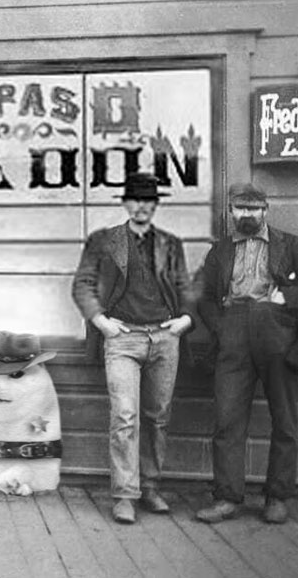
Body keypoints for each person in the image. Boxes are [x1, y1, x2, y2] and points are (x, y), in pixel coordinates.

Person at [194, 183, 298, 525]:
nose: (247, 215)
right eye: (240, 209)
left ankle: (277, 497)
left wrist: (287, 298)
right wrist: (222, 327)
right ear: (231, 212)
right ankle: (227, 497)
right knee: (227, 419)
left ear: (265, 210)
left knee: (284, 419)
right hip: (234, 333)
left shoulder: (290, 245)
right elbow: (203, 295)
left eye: (253, 209)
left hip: (278, 332)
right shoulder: (220, 251)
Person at [72, 173, 195, 523]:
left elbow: (185, 286)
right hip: (122, 338)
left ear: (155, 205)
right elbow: (83, 285)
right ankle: (125, 494)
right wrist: (101, 322)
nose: (142, 206)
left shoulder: (171, 244)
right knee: (125, 416)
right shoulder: (103, 241)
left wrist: (185, 319)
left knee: (158, 416)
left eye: (149, 200)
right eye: (136, 199)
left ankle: (151, 488)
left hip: (164, 337)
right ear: (125, 203)